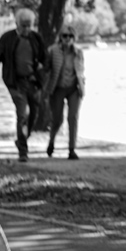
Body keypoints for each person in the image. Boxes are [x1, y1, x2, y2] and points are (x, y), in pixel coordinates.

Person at [0, 8, 46, 162]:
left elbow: (45, 58)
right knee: (22, 114)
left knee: (34, 115)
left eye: (29, 25)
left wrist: (41, 67)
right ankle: (23, 151)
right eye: (24, 25)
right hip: (15, 83)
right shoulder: (7, 38)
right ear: (17, 24)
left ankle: (21, 140)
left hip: (33, 82)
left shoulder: (36, 38)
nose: (27, 29)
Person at [43, 25, 85, 160]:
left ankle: (72, 150)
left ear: (74, 38)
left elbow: (81, 71)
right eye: (65, 36)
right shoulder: (53, 50)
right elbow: (46, 68)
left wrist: (82, 86)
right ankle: (51, 142)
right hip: (57, 89)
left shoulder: (78, 52)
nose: (68, 39)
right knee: (57, 119)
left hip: (74, 89)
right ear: (60, 37)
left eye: (70, 36)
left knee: (73, 118)